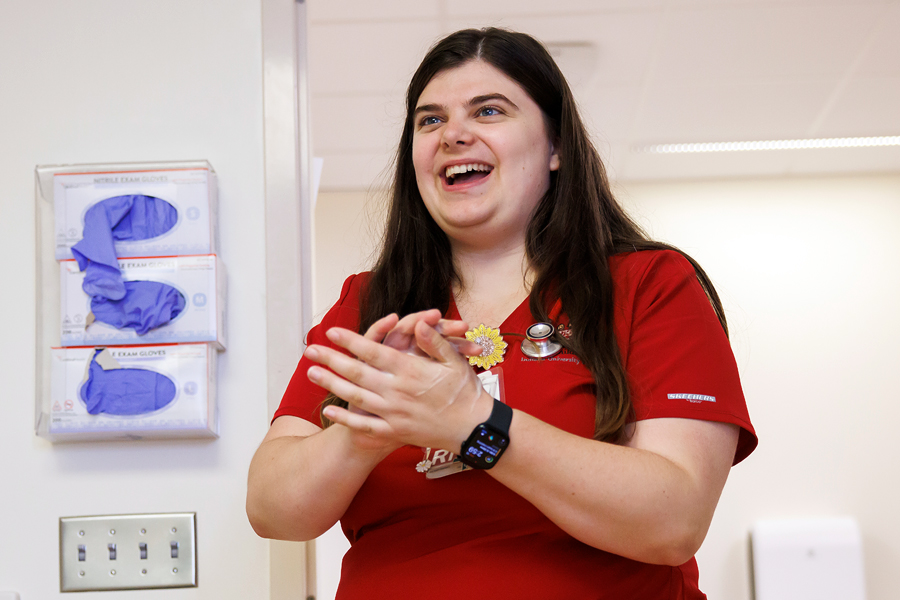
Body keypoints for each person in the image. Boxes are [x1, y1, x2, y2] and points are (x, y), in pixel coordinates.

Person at [247, 27, 757, 599]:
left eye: (488, 111)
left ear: (556, 146)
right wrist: (371, 427)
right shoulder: (369, 306)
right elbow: (274, 511)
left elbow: (674, 522)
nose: (452, 135)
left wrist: (474, 424)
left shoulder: (650, 285)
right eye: (430, 120)